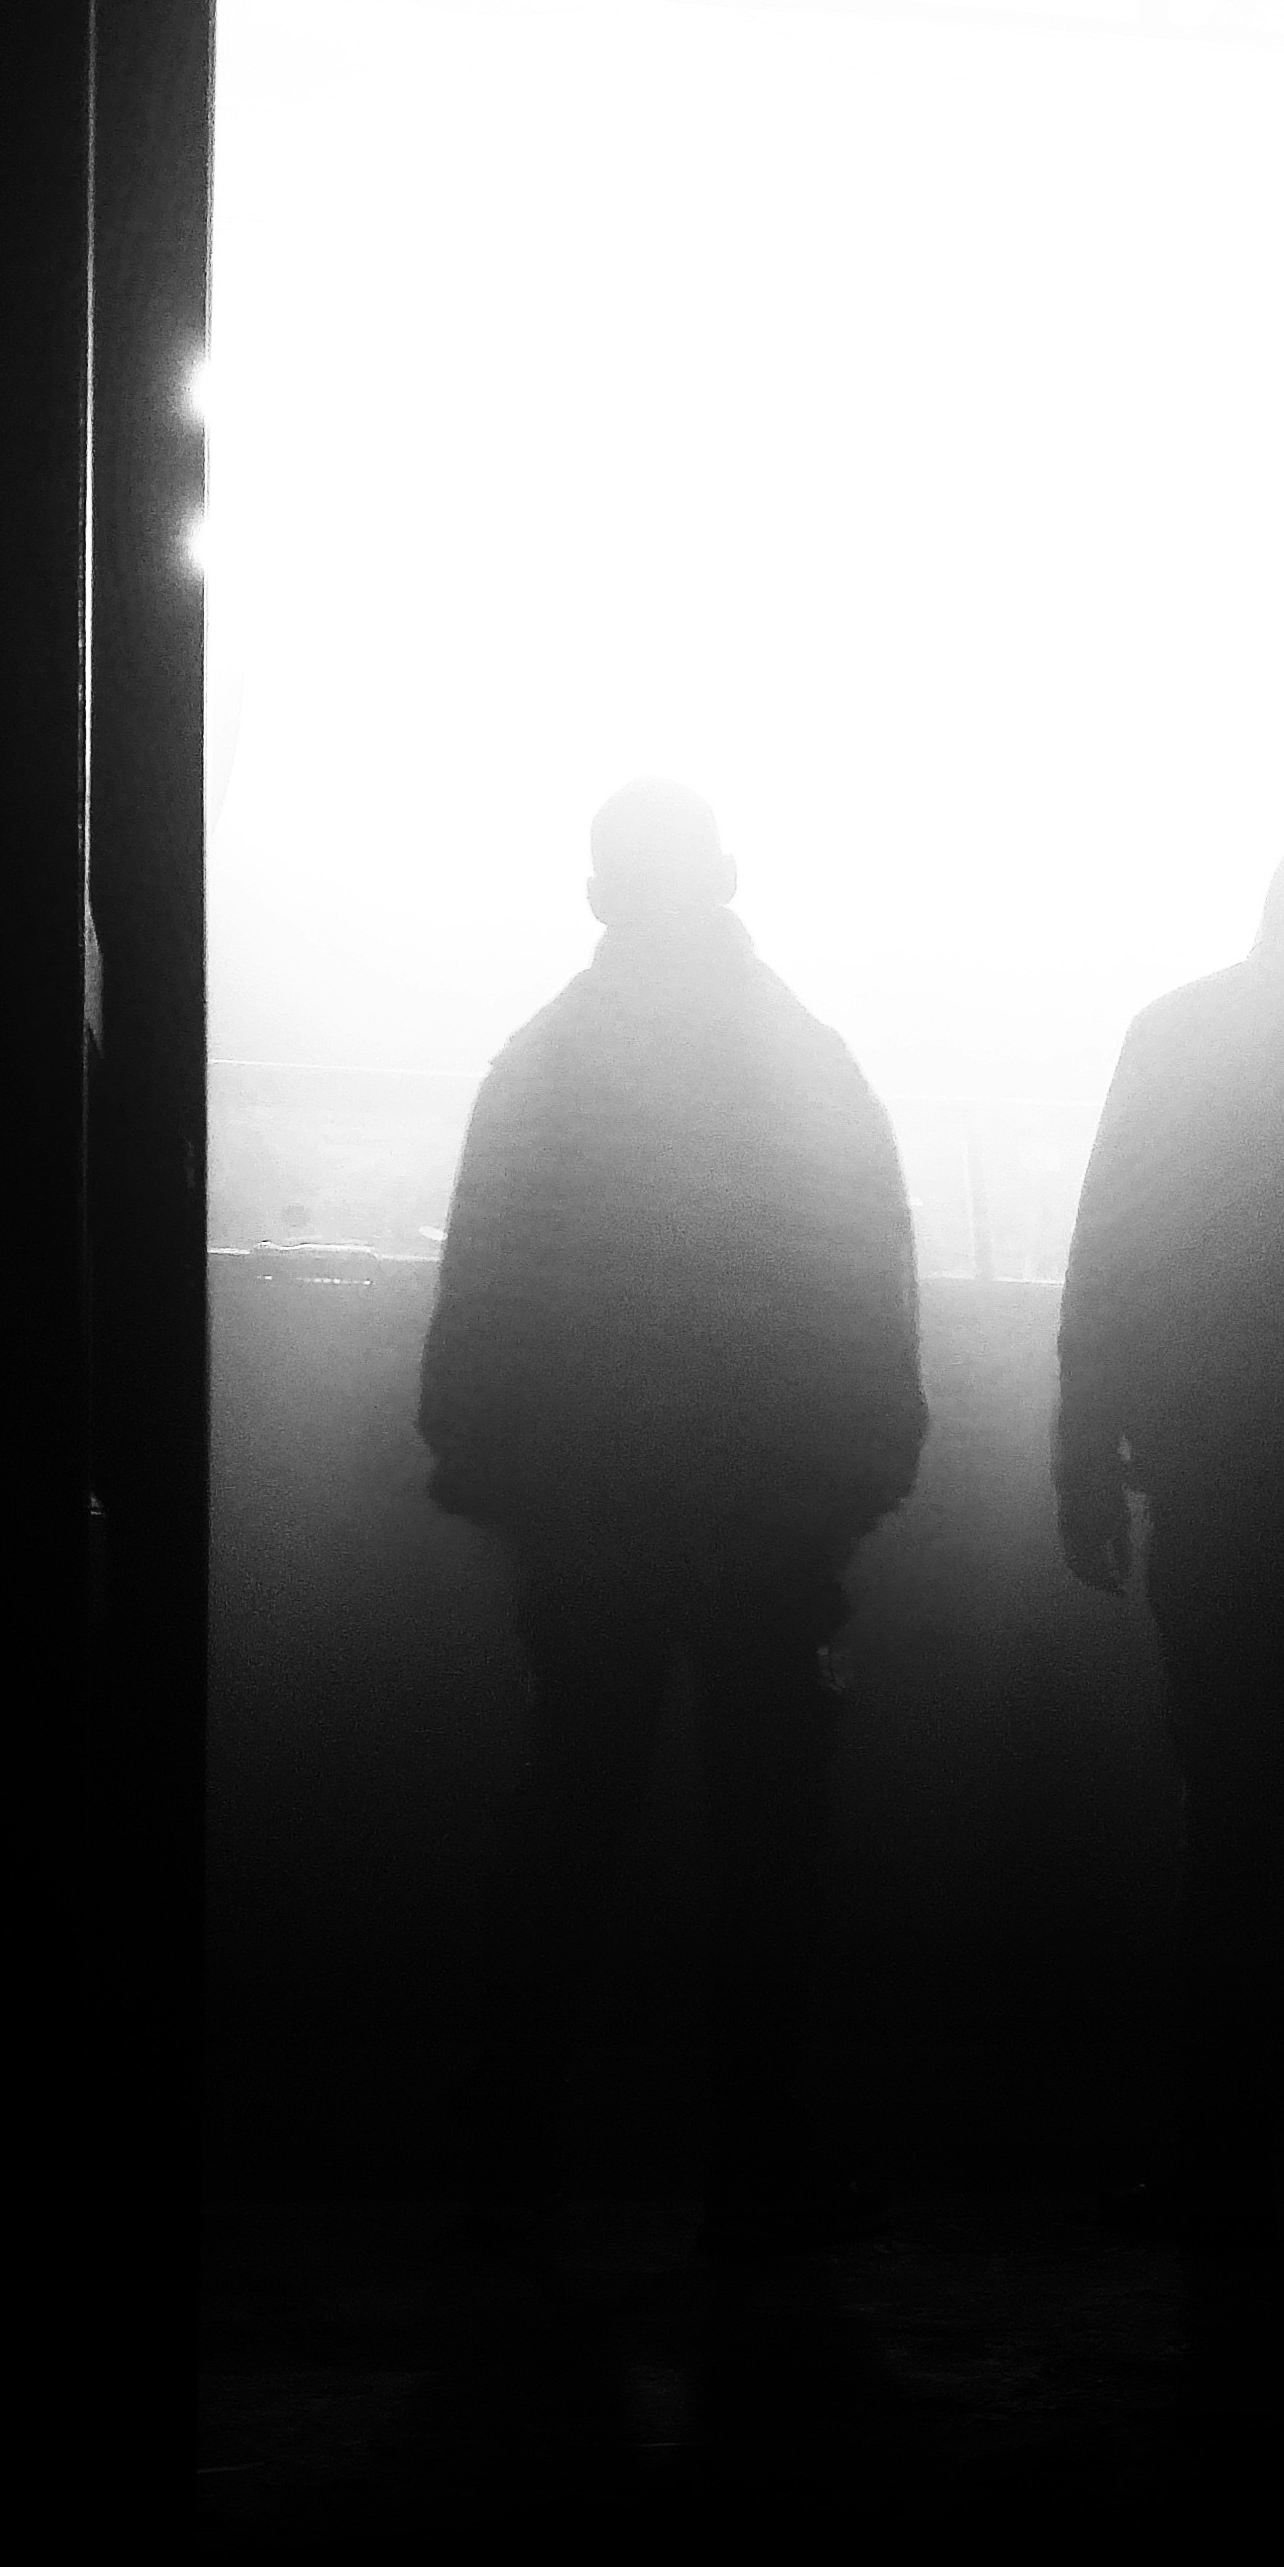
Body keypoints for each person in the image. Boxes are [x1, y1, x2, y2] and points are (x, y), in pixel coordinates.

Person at [421, 779, 928, 2260]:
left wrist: (480, 1455)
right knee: (770, 1839)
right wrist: (865, 1465)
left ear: (597, 893)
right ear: (725, 876)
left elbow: (487, 1278)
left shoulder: (545, 1064)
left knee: (567, 1820)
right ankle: (755, 2164)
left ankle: (509, 2161)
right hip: (770, 1512)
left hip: (591, 1510)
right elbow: (863, 1277)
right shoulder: (806, 1064)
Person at [1053, 801, 1284, 2284]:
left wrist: (1078, 1451)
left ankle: (1220, 2159)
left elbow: (1108, 1245)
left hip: (1215, 1482)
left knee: (1226, 1828)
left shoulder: (1176, 1036)